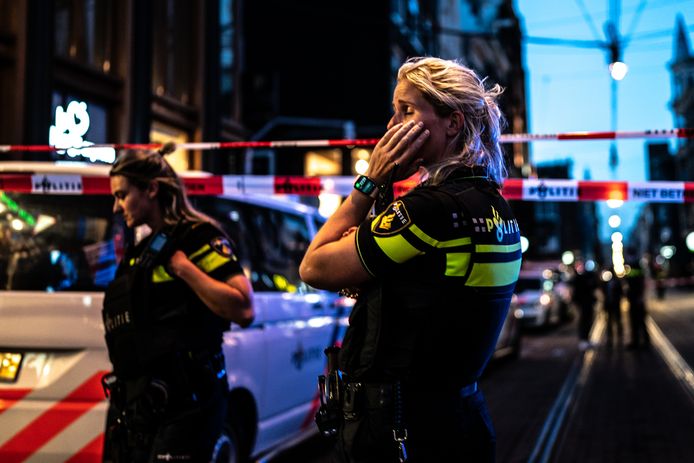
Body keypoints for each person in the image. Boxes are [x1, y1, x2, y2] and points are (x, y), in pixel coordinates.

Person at [300, 57, 522, 462]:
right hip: (460, 419)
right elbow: (438, 290)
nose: (390, 126)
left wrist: (370, 182)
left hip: (402, 429)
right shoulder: (495, 205)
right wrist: (378, 277)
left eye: (406, 110)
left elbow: (313, 266)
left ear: (452, 123)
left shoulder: (428, 210)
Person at [101, 144, 254, 462]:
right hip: (142, 405)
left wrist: (184, 269)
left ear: (151, 189)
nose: (117, 207)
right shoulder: (143, 247)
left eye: (122, 195)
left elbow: (243, 308)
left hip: (188, 404)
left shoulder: (198, 237)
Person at [624, 247, 650, 349]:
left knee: (640, 320)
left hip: (637, 298)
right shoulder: (632, 265)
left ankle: (644, 342)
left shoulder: (636, 266)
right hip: (634, 297)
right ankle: (638, 341)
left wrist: (640, 296)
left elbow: (639, 282)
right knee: (635, 321)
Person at [571, 258, 598, 350]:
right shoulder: (577, 278)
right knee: (583, 320)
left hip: (588, 302)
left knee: (589, 320)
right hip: (582, 302)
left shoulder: (588, 276)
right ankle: (583, 339)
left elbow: (594, 286)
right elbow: (576, 291)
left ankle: (586, 339)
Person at [600, 268, 623, 348]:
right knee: (609, 321)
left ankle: (620, 336)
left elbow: (621, 292)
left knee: (618, 320)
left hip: (615, 304)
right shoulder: (605, 283)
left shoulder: (617, 282)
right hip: (608, 304)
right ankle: (610, 338)